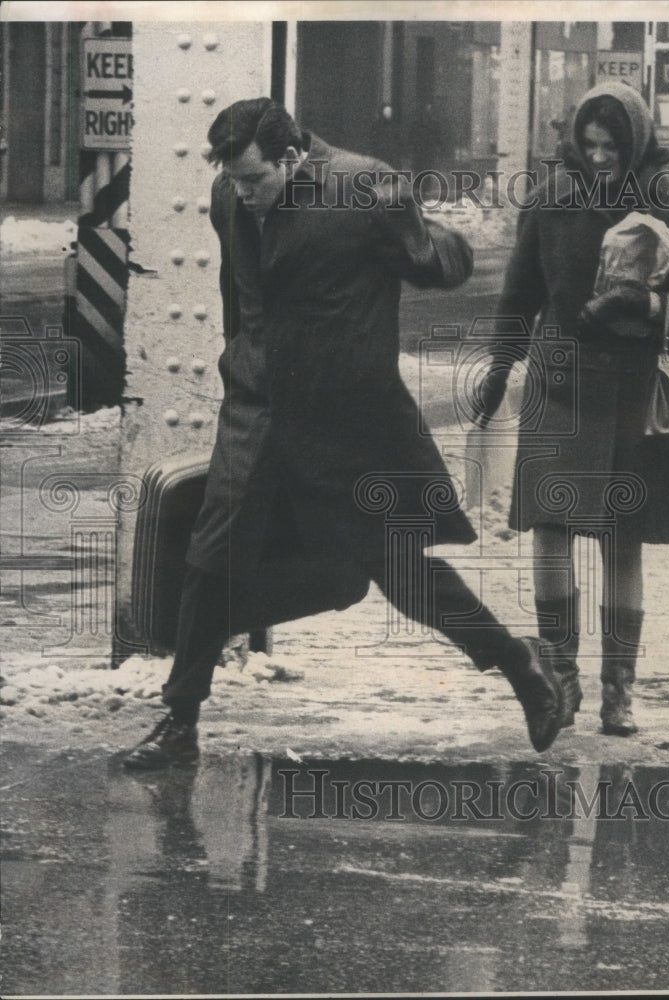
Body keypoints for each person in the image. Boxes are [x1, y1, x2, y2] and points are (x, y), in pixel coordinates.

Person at [124, 97, 565, 769]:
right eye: (235, 182)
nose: (244, 195)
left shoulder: (364, 188)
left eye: (255, 180)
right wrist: (239, 363)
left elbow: (439, 265)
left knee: (399, 573)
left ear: (292, 157)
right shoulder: (229, 196)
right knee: (211, 559)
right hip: (258, 409)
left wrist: (432, 231)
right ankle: (180, 720)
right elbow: (239, 295)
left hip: (344, 423)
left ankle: (517, 663)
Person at [472, 82, 669, 736]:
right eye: (590, 144)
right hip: (560, 383)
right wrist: (498, 368)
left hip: (633, 389)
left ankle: (619, 693)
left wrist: (652, 307)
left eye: (612, 146)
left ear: (635, 142)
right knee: (550, 531)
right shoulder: (553, 200)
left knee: (622, 539)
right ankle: (560, 680)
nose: (600, 156)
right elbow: (519, 295)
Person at [370, 102, 404, 169]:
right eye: (386, 111)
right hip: (381, 155)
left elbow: (399, 140)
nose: (388, 113)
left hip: (393, 156)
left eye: (389, 111)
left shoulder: (395, 126)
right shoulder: (377, 125)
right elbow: (373, 140)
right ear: (382, 112)